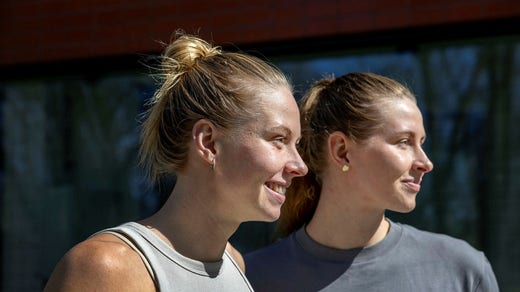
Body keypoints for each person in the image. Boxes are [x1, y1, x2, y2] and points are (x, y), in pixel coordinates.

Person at [44, 31, 307, 291]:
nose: (300, 166)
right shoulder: (107, 268)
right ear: (208, 143)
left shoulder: (234, 264)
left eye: (296, 144)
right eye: (278, 139)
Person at [244, 72, 499, 291]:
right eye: (403, 142)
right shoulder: (253, 279)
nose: (426, 162)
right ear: (342, 151)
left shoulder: (461, 270)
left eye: (421, 143)